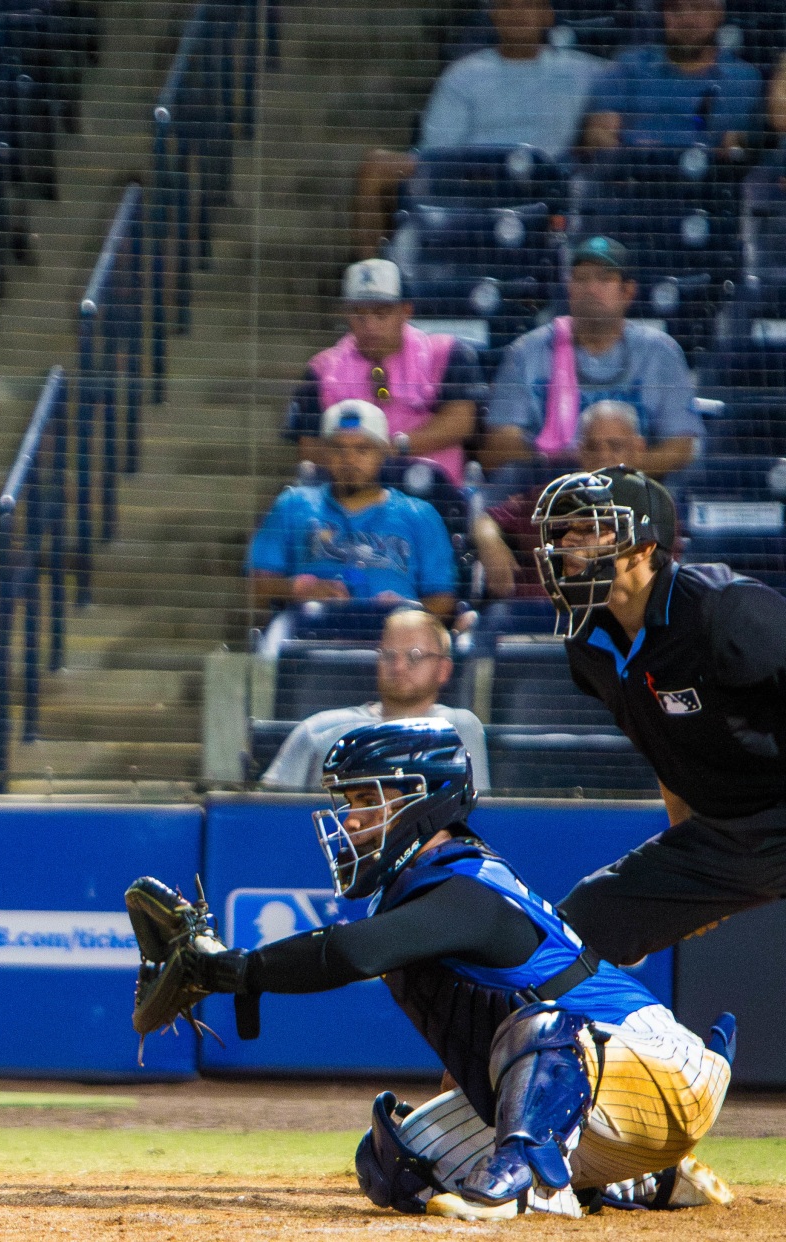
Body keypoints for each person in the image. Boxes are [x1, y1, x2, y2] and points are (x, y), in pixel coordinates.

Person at [148, 718, 734, 1220]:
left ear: (423, 799)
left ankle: (521, 1186)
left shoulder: (465, 885)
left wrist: (235, 969)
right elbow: (477, 1033)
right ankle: (648, 1178)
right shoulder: (425, 887)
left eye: (366, 801)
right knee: (395, 1165)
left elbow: (352, 952)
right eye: (349, 804)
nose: (351, 822)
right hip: (603, 1092)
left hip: (661, 1066)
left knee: (540, 1030)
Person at [526, 468, 786, 968]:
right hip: (725, 835)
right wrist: (688, 865)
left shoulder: (725, 609)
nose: (568, 544)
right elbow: (663, 745)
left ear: (644, 546)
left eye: (589, 529)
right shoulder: (586, 645)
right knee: (572, 933)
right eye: (564, 531)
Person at [350, 0, 604, 252]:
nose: (517, 14)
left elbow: (621, 90)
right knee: (376, 167)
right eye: (507, 6)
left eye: (528, 5)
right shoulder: (464, 73)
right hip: (474, 180)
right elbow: (437, 150)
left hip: (547, 181)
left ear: (547, 15)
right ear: (493, 15)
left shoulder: (584, 71)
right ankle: (372, 274)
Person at [482, 236, 700, 478]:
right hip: (549, 491)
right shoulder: (527, 352)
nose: (591, 289)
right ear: (569, 288)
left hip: (636, 491)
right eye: (581, 279)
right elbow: (500, 444)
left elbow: (681, 447)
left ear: (628, 291)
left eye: (604, 279)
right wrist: (573, 474)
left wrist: (615, 477)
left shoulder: (660, 352)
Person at [249, 400, 459, 617]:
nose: (349, 459)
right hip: (309, 626)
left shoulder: (420, 514)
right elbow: (258, 586)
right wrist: (300, 589)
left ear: (383, 453)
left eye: (362, 449)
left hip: (395, 633)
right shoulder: (292, 504)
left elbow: (443, 600)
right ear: (324, 454)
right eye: (338, 449)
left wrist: (406, 612)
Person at [287, 259, 484, 477]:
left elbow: (461, 422)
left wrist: (395, 448)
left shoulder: (446, 353)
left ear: (406, 311)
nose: (370, 325)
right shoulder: (322, 369)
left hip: (430, 486)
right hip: (351, 488)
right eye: (359, 313)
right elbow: (310, 450)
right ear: (346, 313)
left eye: (382, 313)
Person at [261, 609, 490, 790]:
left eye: (415, 656)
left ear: (444, 669)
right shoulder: (317, 729)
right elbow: (267, 811)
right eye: (388, 655)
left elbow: (476, 817)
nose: (398, 666)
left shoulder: (460, 728)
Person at [473, 401, 646, 599]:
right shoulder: (552, 498)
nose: (603, 455)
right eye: (592, 447)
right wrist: (490, 542)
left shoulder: (655, 509)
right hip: (533, 611)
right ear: (581, 453)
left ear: (638, 450)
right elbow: (487, 520)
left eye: (615, 446)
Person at [580, 0, 763, 152]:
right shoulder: (629, 67)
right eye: (675, 8)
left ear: (719, 14)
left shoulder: (742, 80)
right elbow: (598, 133)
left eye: (698, 7)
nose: (687, 19)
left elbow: (737, 147)